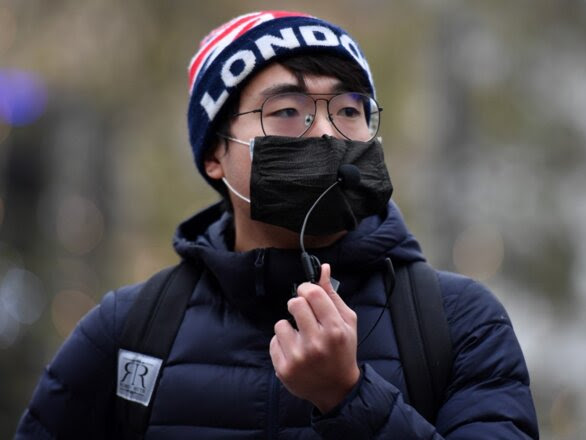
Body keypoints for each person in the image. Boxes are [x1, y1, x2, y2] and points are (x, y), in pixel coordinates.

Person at [16, 11, 539, 439]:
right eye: (288, 111)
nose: (327, 134)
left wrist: (351, 400)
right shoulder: (131, 329)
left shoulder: (460, 322)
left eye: (350, 109)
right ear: (216, 154)